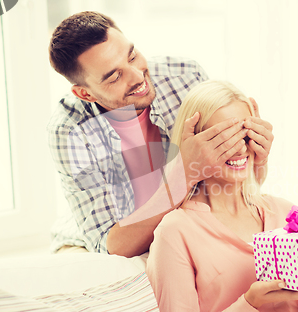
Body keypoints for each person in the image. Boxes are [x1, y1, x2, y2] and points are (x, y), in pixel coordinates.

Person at [47, 12, 274, 257]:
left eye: (132, 56)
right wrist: (184, 173)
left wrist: (257, 159)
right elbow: (112, 247)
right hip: (100, 242)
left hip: (183, 221)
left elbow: (230, 187)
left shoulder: (185, 76)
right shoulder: (70, 131)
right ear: (85, 94)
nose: (137, 76)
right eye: (115, 76)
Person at [146, 80, 298, 312]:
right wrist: (250, 303)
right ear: (195, 146)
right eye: (223, 138)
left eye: (247, 133)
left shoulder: (286, 213)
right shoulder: (176, 231)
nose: (241, 148)